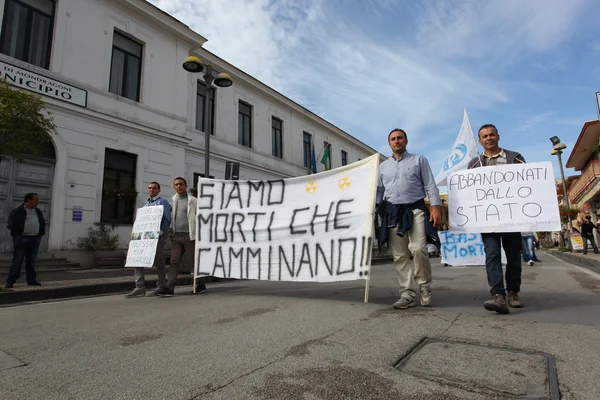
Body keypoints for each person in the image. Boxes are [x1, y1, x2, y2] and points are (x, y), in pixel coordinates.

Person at [376, 128, 442, 309]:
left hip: (415, 210)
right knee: (399, 255)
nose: (396, 141)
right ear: (389, 143)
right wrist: (373, 208)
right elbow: (380, 191)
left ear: (406, 141)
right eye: (393, 139)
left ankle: (425, 287)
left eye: (400, 138)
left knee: (418, 248)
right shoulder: (383, 166)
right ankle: (406, 293)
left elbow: (430, 184)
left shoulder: (419, 160)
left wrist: (435, 207)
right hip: (393, 213)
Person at [468, 124, 525, 314]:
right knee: (492, 256)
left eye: (492, 134)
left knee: (513, 257)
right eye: (485, 136)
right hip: (487, 220)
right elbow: (469, 192)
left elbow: (528, 184)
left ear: (498, 136)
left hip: (511, 217)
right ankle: (498, 295)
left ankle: (513, 292)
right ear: (480, 141)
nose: (489, 138)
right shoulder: (474, 164)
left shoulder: (515, 158)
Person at [126, 182, 172, 298]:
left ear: (159, 190)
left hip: (157, 236)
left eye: (154, 188)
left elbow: (167, 219)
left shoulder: (163, 202)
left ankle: (161, 285)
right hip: (144, 236)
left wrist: (161, 232)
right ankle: (139, 286)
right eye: (150, 188)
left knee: (158, 260)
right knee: (137, 259)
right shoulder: (146, 204)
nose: (152, 190)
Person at [171, 177, 206, 294]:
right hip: (176, 236)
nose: (178, 186)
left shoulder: (193, 201)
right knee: (174, 262)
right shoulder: (174, 200)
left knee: (193, 262)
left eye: (181, 184)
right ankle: (169, 287)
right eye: (176, 184)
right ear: (174, 187)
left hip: (190, 236)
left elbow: (201, 217)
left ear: (186, 186)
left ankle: (199, 285)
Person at [5, 193, 45, 288]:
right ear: (28, 200)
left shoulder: (38, 211)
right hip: (22, 239)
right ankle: (10, 281)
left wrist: (40, 234)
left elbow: (42, 222)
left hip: (35, 239)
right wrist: (17, 236)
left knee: (31, 261)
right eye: (36, 200)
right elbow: (10, 224)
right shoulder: (18, 211)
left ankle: (31, 279)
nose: (38, 202)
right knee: (18, 260)